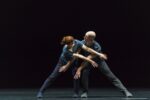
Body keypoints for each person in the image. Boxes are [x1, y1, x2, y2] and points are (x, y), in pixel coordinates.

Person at [36, 35, 107, 98]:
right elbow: (76, 56)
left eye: (73, 42)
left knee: (76, 76)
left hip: (73, 63)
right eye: (71, 44)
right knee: (52, 77)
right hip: (62, 63)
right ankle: (40, 92)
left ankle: (76, 93)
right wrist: (66, 66)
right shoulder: (65, 49)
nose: (73, 44)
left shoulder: (77, 42)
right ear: (67, 44)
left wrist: (99, 54)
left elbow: (87, 49)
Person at [74, 31, 133, 98]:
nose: (84, 37)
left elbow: (89, 57)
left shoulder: (97, 46)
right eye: (85, 35)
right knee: (84, 73)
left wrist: (80, 68)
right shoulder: (82, 43)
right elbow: (78, 53)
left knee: (110, 75)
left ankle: (125, 91)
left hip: (99, 61)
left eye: (86, 36)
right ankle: (85, 92)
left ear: (91, 38)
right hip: (88, 61)